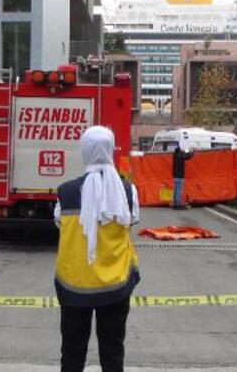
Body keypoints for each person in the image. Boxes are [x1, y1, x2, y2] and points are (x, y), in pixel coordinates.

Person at [54, 126, 141, 372]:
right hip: (115, 285)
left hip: (73, 286)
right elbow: (132, 221)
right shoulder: (127, 191)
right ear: (110, 150)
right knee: (113, 354)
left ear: (85, 151)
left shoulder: (66, 192)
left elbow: (59, 223)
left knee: (71, 353)